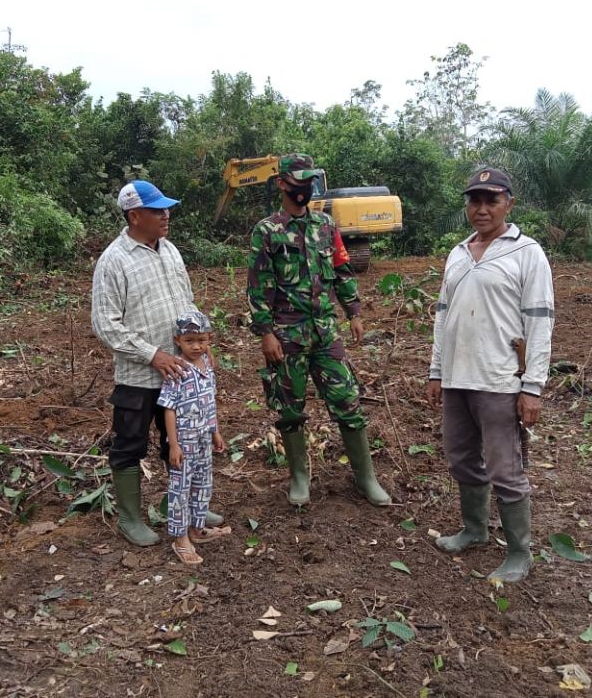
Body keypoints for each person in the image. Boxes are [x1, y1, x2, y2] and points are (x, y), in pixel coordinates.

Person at [426, 167, 554, 584]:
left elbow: (539, 321)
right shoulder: (458, 252)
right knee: (462, 457)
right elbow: (443, 317)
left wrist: (532, 386)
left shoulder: (527, 252)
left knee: (505, 468)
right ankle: (474, 529)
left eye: (491, 200)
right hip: (457, 377)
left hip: (500, 379)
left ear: (508, 204)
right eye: (474, 201)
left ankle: (519, 551)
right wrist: (436, 371)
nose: (481, 209)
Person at [246, 153, 390, 507]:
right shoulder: (267, 231)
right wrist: (265, 333)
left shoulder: (325, 225)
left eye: (309, 182)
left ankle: (365, 477)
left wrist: (353, 311)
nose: (305, 189)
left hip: (325, 332)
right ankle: (299, 478)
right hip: (285, 335)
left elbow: (341, 269)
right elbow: (258, 286)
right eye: (298, 182)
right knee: (290, 407)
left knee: (347, 401)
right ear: (282, 183)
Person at [92, 180, 223, 547]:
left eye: (166, 208)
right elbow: (105, 324)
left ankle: (181, 505)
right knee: (130, 444)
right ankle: (130, 519)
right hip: (139, 376)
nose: (166, 215)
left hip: (181, 373)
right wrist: (153, 354)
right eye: (157, 210)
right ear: (134, 216)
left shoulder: (170, 251)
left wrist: (199, 347)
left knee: (179, 442)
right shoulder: (114, 261)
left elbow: (187, 300)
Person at [159, 311, 233, 565]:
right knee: (180, 488)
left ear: (209, 339)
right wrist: (174, 444)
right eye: (190, 340)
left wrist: (215, 431)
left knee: (203, 484)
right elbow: (168, 408)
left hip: (203, 438)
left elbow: (209, 402)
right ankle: (180, 539)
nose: (197, 346)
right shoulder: (177, 370)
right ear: (178, 340)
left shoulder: (207, 367)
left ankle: (196, 528)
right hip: (185, 440)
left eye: (201, 340)